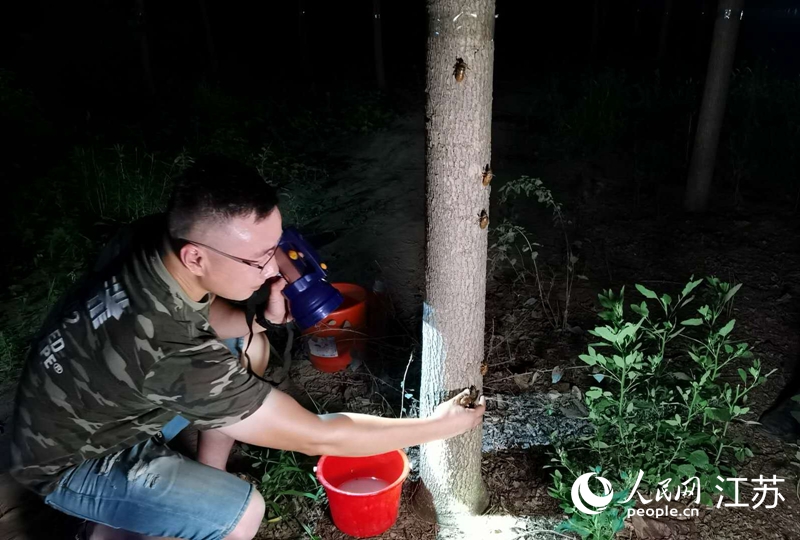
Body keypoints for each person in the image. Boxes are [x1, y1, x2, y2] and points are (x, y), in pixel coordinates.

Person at [9, 155, 486, 540]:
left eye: (275, 248)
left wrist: (259, 317)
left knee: (247, 341)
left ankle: (192, 482)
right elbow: (319, 435)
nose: (271, 272)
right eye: (259, 259)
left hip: (93, 403)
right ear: (195, 255)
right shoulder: (167, 347)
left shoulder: (153, 240)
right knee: (238, 513)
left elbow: (198, 310)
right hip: (71, 462)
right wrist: (437, 427)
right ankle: (117, 520)